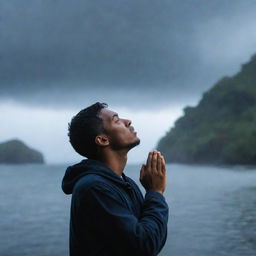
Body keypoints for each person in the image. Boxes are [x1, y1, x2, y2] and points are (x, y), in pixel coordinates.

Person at [62, 102, 169, 256]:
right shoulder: (94, 188)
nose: (128, 121)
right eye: (116, 120)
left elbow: (154, 240)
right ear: (103, 140)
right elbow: (143, 246)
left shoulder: (126, 183)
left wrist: (154, 193)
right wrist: (155, 193)